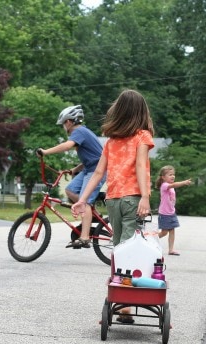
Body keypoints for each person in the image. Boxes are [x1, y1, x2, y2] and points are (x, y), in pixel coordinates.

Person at [71, 89, 155, 323]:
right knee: (130, 249)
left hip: (113, 199)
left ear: (118, 112)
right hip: (132, 198)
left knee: (119, 248)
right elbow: (140, 166)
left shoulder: (111, 141)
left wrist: (82, 198)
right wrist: (146, 197)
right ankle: (125, 304)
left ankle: (119, 298)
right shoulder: (142, 137)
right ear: (141, 112)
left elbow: (98, 172)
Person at [36, 105, 105, 249]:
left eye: (63, 124)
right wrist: (76, 169)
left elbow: (67, 146)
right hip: (88, 169)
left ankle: (85, 237)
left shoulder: (78, 131)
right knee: (70, 190)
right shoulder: (83, 132)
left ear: (68, 122)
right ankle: (92, 214)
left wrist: (45, 152)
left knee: (83, 202)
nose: (63, 127)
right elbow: (94, 155)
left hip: (96, 171)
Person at [155, 165, 192, 256]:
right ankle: (150, 239)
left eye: (173, 174)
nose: (173, 176)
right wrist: (184, 182)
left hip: (171, 212)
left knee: (172, 231)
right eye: (170, 175)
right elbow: (174, 185)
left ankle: (171, 250)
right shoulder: (164, 185)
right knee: (164, 232)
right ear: (163, 177)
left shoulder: (170, 186)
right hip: (164, 214)